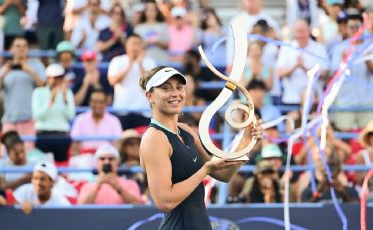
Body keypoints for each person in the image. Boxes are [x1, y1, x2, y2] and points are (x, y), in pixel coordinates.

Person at [138, 66, 263, 229]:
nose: (175, 93)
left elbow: (222, 174)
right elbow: (165, 201)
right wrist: (204, 171)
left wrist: (246, 141)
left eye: (179, 87)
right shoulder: (154, 138)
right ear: (150, 96)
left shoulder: (185, 130)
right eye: (166, 88)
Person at [0, 36, 46, 153]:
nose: (21, 49)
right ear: (11, 50)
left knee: (28, 155)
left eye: (24, 46)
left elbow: (44, 87)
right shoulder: (6, 68)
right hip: (10, 120)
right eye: (18, 46)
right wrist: (3, 74)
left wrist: (29, 71)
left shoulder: (36, 65)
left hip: (29, 120)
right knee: (5, 154)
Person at [331, 11, 373, 131]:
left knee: (371, 135)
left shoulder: (372, 46)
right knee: (345, 136)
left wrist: (368, 60)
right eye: (351, 27)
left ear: (363, 27)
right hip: (346, 101)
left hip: (369, 100)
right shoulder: (339, 48)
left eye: (357, 27)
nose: (355, 30)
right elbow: (334, 77)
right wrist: (343, 61)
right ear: (346, 29)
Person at [108, 34, 156, 130]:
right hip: (122, 110)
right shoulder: (117, 61)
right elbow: (112, 81)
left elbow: (151, 84)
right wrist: (129, 66)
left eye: (138, 44)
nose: (135, 47)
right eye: (133, 44)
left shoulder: (149, 62)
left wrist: (140, 64)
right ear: (126, 45)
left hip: (143, 111)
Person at [276, 19, 329, 108]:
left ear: (309, 31)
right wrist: (295, 66)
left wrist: (304, 68)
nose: (300, 35)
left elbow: (325, 73)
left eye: (302, 31)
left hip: (314, 101)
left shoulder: (319, 48)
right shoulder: (286, 48)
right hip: (291, 99)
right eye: (297, 31)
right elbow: (279, 73)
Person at [32, 63, 75, 163]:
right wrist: (50, 101)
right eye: (54, 78)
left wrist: (64, 99)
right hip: (43, 135)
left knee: (62, 169)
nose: (57, 81)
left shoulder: (67, 93)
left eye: (60, 78)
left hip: (62, 136)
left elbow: (71, 116)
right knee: (43, 168)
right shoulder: (38, 92)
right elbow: (37, 116)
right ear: (48, 78)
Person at [77, 144, 143, 204]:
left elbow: (138, 205)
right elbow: (81, 207)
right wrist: (97, 187)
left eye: (111, 159)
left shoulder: (130, 184)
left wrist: (118, 188)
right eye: (102, 159)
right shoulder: (87, 186)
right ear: (96, 163)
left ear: (117, 162)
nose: (106, 162)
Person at [71, 89, 123, 155]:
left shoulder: (114, 121)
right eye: (95, 101)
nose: (98, 105)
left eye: (101, 102)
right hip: (85, 157)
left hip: (106, 157)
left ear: (105, 103)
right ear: (90, 102)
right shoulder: (80, 119)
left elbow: (118, 144)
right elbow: (75, 145)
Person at [134, 0, 170, 65]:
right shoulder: (138, 28)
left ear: (157, 11)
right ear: (145, 12)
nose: (151, 12)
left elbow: (168, 45)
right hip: (145, 63)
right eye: (148, 9)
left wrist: (157, 42)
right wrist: (146, 43)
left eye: (153, 9)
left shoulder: (163, 25)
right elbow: (135, 47)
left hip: (162, 61)